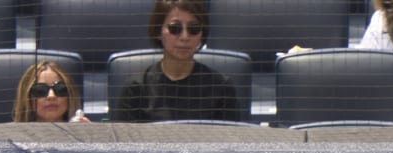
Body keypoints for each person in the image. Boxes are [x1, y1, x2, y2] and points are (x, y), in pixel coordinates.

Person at [115, 0, 246, 124]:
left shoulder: (221, 88)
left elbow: (230, 144)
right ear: (158, 31)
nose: (185, 37)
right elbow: (124, 144)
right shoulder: (136, 89)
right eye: (175, 28)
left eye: (193, 29)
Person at [13, 60, 90, 123]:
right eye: (40, 90)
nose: (51, 96)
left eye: (60, 89)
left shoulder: (86, 133)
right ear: (27, 98)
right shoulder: (11, 137)